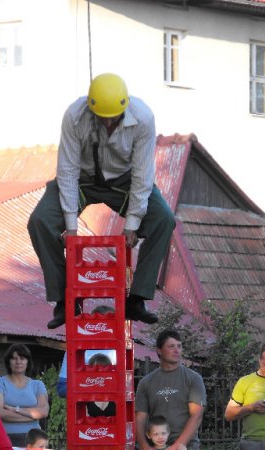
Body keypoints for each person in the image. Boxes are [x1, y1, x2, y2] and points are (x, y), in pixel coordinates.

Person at [27, 73, 175, 330]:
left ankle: (137, 299)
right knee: (40, 221)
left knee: (164, 219)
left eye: (113, 120)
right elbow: (68, 170)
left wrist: (132, 223)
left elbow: (142, 174)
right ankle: (64, 300)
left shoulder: (143, 118)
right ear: (91, 108)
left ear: (124, 108)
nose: (107, 124)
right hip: (83, 179)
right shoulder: (75, 115)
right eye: (102, 119)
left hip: (125, 182)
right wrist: (71, 227)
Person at [56, 304, 116, 398]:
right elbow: (61, 389)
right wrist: (87, 386)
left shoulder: (119, 351)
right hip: (84, 408)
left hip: (112, 407)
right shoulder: (74, 351)